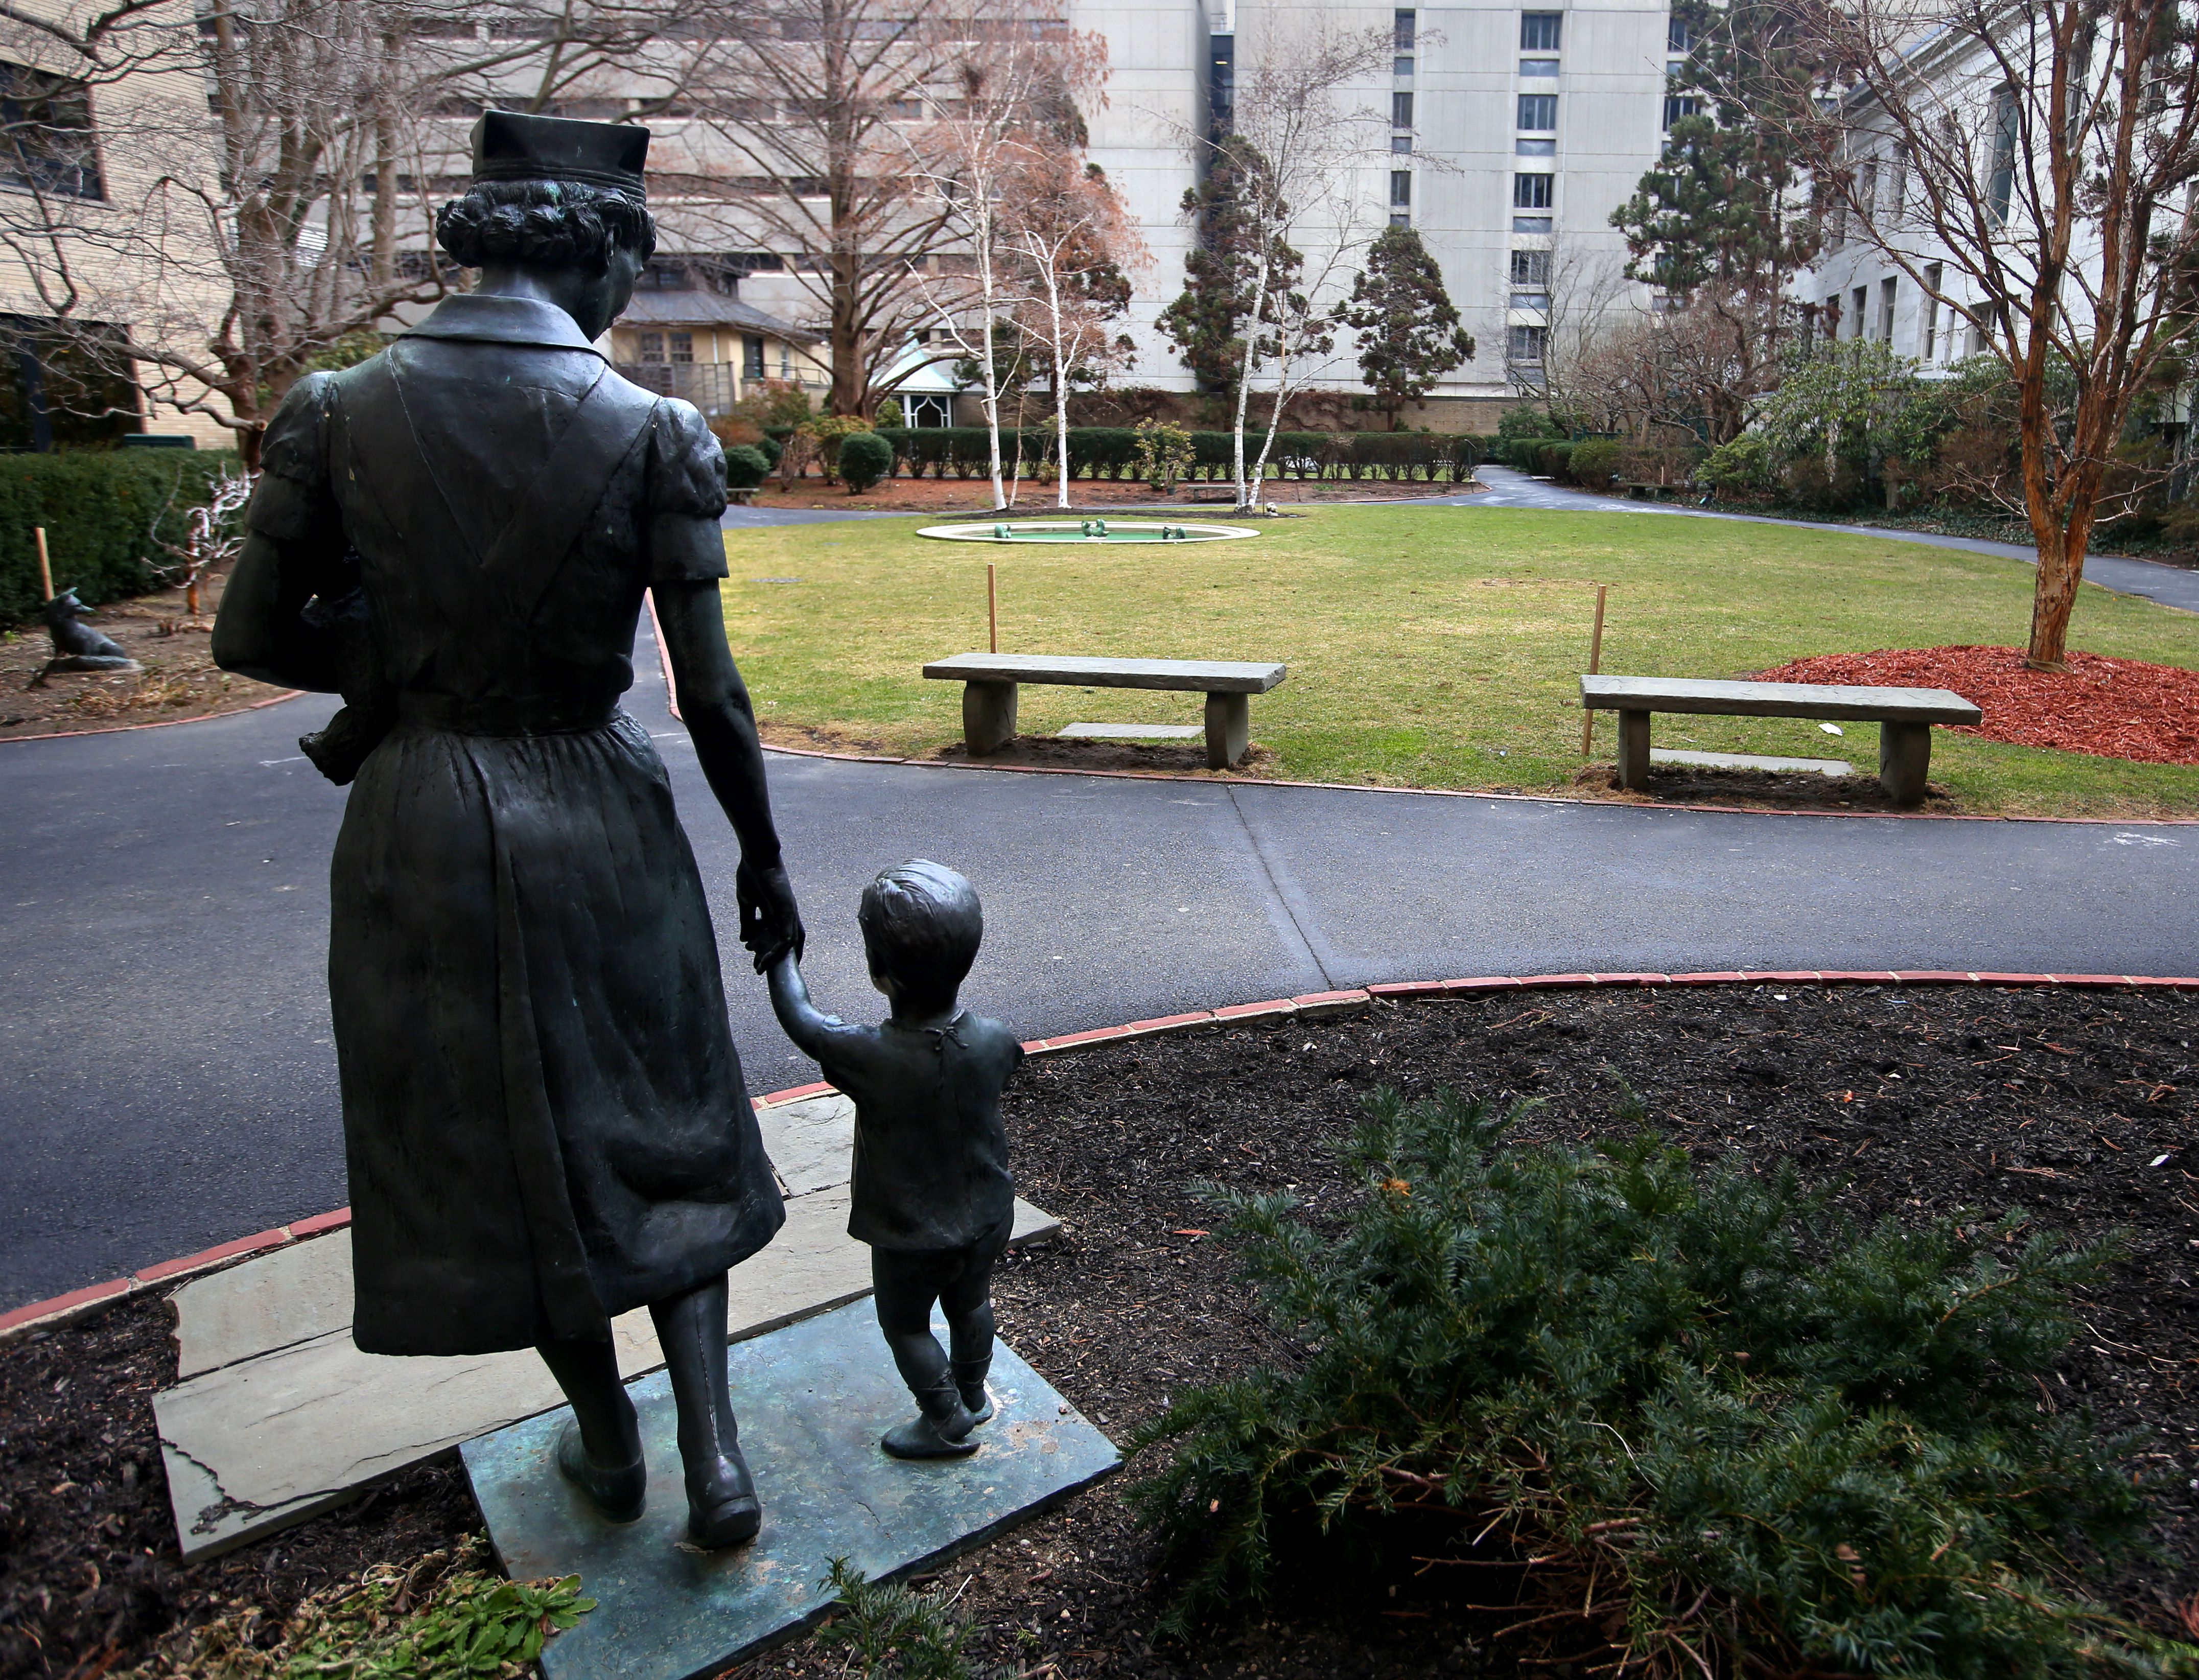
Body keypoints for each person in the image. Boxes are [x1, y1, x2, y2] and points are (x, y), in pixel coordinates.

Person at [212, 112, 801, 1549]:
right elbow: (712, 691)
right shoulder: (656, 429)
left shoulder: (335, 408)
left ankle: (610, 1448)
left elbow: (249, 634)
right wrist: (763, 854)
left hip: (422, 818)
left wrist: (394, 673)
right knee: (668, 1121)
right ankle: (716, 1458)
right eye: (631, 272)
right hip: (599, 805)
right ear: (600, 247)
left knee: (511, 1151)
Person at [764, 861, 1022, 1458]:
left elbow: (801, 1020)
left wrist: (781, 956)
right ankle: (973, 1393)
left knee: (906, 1324)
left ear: (879, 971)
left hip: (912, 1231)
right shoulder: (995, 1038)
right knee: (971, 1303)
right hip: (986, 1212)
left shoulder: (868, 1055)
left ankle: (943, 1419)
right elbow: (1009, 1063)